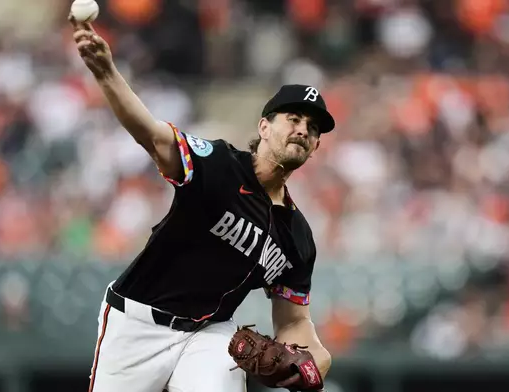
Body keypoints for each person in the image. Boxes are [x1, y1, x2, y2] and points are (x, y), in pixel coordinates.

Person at [69, 15, 334, 392]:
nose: (303, 130)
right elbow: (152, 135)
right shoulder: (219, 165)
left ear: (316, 147)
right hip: (138, 323)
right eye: (294, 118)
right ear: (264, 127)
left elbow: (293, 321)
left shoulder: (298, 236)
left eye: (313, 129)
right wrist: (107, 72)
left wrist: (316, 362)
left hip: (210, 334)